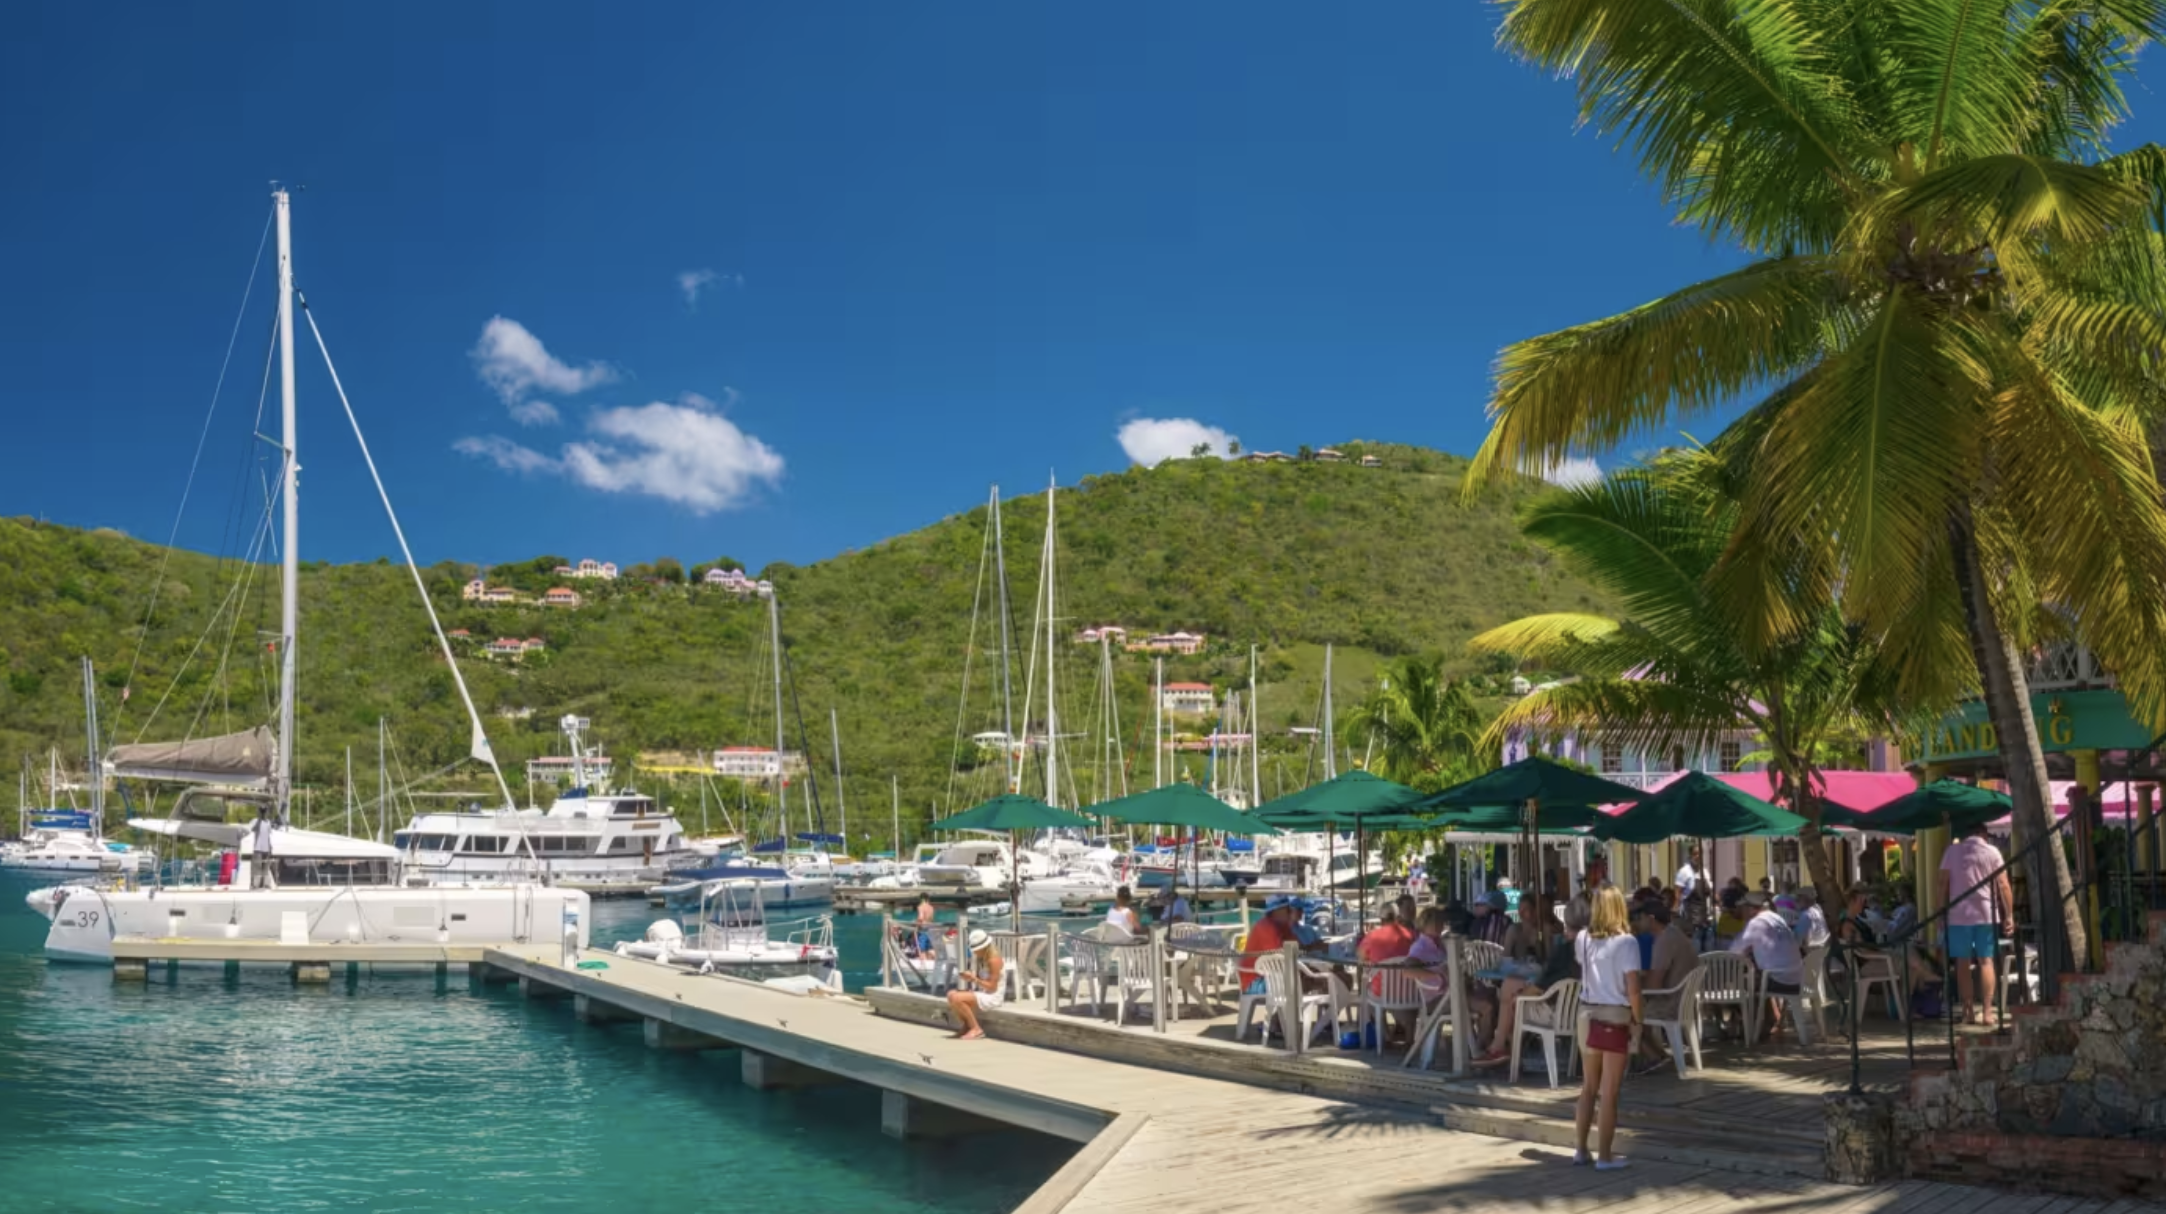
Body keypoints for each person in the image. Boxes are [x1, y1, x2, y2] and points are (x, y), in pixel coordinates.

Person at [1573, 886, 1642, 1169]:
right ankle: (1604, 1155)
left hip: (1586, 1012)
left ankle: (1580, 1150)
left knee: (1588, 1087)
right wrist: (1639, 1020)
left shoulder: (1582, 938)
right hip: (1614, 1014)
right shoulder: (1627, 943)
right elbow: (1633, 989)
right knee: (1609, 1091)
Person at [1472, 892, 1570, 1066]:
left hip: (1544, 991)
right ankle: (1505, 1047)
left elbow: (1548, 964)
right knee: (1508, 993)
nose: (1524, 913)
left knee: (1509, 993)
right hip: (1523, 981)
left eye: (1528, 909)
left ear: (1536, 910)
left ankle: (1501, 1047)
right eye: (1520, 909)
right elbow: (1505, 959)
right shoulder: (1514, 929)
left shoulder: (1545, 929)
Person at [1939, 820, 2015, 1026]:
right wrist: (2009, 915)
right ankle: (1989, 1012)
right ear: (1984, 834)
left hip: (1957, 915)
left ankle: (1968, 1010)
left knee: (1962, 963)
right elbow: (2004, 885)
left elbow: (1943, 884)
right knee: (1986, 961)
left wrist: (1940, 914)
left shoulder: (1951, 852)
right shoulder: (1992, 852)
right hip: (1985, 913)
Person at [1629, 899, 1697, 1072]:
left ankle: (1652, 1057)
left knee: (1625, 1012)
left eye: (1640, 918)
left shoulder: (1664, 941)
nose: (1637, 922)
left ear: (1651, 919)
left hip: (1671, 1003)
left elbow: (1654, 985)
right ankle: (1657, 1054)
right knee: (1634, 1006)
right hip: (1683, 1000)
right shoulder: (1674, 934)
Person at [1730, 891, 1805, 1041]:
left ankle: (1749, 1028)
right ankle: (1764, 1022)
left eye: (1743, 908)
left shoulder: (1756, 923)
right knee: (1755, 977)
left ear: (1752, 909)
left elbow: (1733, 952)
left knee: (1733, 984)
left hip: (1780, 979)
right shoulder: (1776, 918)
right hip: (1796, 976)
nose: (1740, 911)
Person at [1238, 895, 1323, 994]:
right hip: (1256, 981)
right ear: (1276, 911)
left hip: (1272, 975)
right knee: (1315, 980)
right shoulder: (1265, 927)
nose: (1290, 912)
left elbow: (1296, 947)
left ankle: (1323, 1006)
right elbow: (1277, 959)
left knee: (1319, 977)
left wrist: (1312, 946)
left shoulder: (1282, 926)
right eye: (1287, 909)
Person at [944, 929, 1005, 1040]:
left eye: (977, 949)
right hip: (984, 992)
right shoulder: (982, 959)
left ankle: (976, 1029)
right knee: (951, 994)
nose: (975, 952)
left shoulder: (994, 960)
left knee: (957, 998)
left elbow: (993, 987)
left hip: (993, 996)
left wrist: (974, 979)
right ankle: (967, 1026)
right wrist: (971, 977)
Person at [251, 809, 277, 890]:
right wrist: (259, 819)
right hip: (258, 848)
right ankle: (256, 884)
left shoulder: (268, 822)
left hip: (266, 848)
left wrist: (270, 846)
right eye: (265, 813)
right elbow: (253, 829)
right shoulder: (257, 821)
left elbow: (269, 835)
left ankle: (265, 884)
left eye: (266, 813)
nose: (266, 814)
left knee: (266, 867)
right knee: (258, 867)